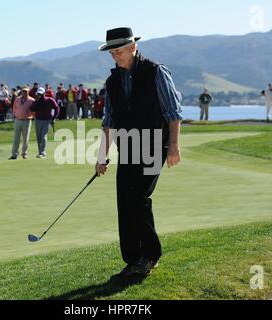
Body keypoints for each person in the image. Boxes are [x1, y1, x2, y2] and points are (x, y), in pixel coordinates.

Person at [96, 27, 182, 278]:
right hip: (129, 147)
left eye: (119, 51)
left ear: (133, 47)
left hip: (155, 143)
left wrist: (174, 146)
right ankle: (133, 258)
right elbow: (109, 121)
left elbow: (173, 112)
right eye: (112, 52)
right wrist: (102, 156)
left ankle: (150, 255)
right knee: (124, 198)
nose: (115, 56)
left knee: (139, 197)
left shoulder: (156, 72)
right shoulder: (112, 82)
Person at [30, 87, 59, 158]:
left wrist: (54, 118)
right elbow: (31, 109)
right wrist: (35, 102)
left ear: (44, 93)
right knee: (39, 137)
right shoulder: (37, 101)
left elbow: (56, 108)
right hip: (38, 120)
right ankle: (40, 152)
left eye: (40, 94)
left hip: (47, 121)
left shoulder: (50, 100)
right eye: (38, 94)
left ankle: (43, 152)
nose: (39, 95)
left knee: (43, 136)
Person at [9, 87, 35, 160]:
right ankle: (14, 154)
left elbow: (34, 110)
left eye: (26, 91)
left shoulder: (31, 100)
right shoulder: (17, 99)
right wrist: (15, 114)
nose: (24, 93)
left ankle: (24, 154)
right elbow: (14, 108)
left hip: (27, 121)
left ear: (28, 92)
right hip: (17, 120)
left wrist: (31, 116)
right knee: (16, 138)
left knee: (25, 138)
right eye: (23, 91)